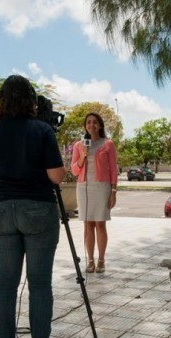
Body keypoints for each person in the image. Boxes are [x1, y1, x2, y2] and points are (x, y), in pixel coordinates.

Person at [0, 75, 66, 338]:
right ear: (31, 99)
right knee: (39, 283)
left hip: (1, 209)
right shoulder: (42, 130)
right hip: (38, 209)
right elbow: (56, 176)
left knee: (5, 282)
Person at [70, 113, 118, 274]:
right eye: (89, 122)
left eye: (95, 122)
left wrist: (113, 192)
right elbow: (75, 170)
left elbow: (113, 170)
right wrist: (83, 154)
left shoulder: (108, 144)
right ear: (85, 126)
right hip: (83, 187)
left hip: (102, 187)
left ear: (100, 125)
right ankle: (90, 260)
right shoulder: (79, 145)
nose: (92, 124)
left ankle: (101, 260)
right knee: (87, 224)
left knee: (100, 223)